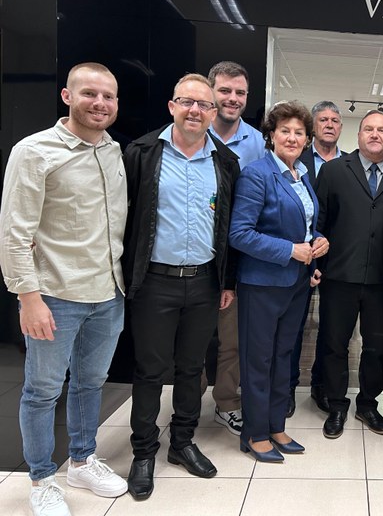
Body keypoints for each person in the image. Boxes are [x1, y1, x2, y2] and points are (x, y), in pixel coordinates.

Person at [0, 62, 128, 516]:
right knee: (42, 391)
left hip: (108, 292)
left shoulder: (113, 151)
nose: (100, 103)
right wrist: (28, 298)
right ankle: (40, 479)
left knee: (90, 383)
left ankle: (81, 460)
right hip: (55, 295)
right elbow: (14, 232)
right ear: (67, 96)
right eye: (89, 93)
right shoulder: (35, 151)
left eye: (108, 96)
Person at [122, 74, 239, 500]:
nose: (195, 110)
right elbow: (123, 217)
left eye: (204, 105)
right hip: (154, 281)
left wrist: (226, 281)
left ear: (212, 113)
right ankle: (143, 452)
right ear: (172, 106)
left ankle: (183, 442)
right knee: (150, 371)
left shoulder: (225, 162)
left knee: (192, 368)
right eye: (187, 102)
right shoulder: (141, 153)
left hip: (204, 283)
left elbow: (228, 226)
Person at [229, 101, 329, 462]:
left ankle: (275, 425)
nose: (292, 137)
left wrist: (317, 242)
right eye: (284, 130)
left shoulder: (301, 174)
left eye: (299, 132)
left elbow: (304, 224)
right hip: (262, 284)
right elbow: (239, 233)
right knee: (258, 359)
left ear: (307, 139)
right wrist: (290, 250)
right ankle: (254, 433)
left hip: (297, 282)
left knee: (283, 356)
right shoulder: (257, 174)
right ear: (271, 135)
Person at [315, 110, 383, 439]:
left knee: (376, 346)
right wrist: (316, 263)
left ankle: (367, 404)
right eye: (368, 128)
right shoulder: (333, 170)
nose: (374, 134)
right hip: (339, 275)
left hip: (382, 281)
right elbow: (319, 222)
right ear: (358, 135)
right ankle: (337, 404)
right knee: (334, 344)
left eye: (382, 130)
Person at [205, 61, 266, 437]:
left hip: (236, 259)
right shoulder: (192, 131)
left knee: (232, 339)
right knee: (190, 340)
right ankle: (185, 406)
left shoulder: (257, 143)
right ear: (210, 91)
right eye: (225, 90)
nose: (232, 98)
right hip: (194, 254)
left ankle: (226, 403)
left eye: (240, 92)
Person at [289, 100, 346, 416]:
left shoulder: (350, 164)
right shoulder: (297, 160)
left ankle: (320, 386)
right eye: (323, 119)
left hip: (337, 258)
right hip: (300, 254)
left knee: (331, 330)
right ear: (313, 126)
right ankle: (287, 388)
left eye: (335, 120)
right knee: (295, 326)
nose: (329, 125)